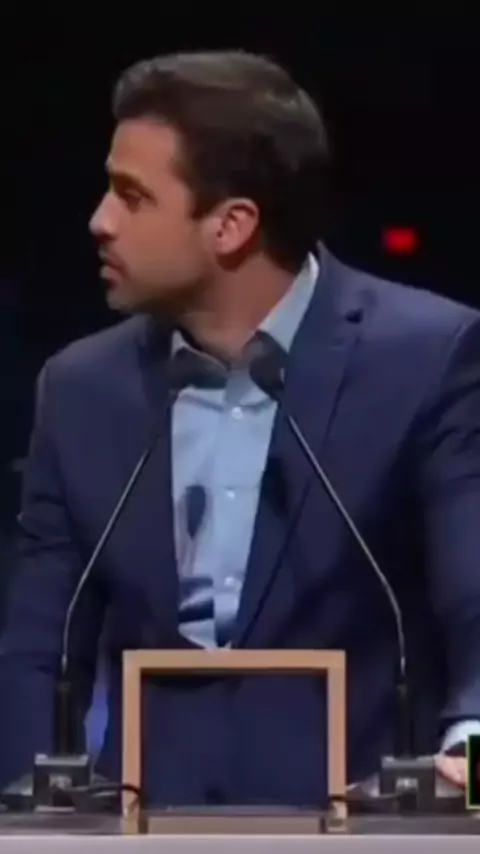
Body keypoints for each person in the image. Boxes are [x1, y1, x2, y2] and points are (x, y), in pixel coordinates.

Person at [0, 49, 478, 806]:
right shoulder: (80, 388)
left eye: (132, 196)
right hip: (141, 830)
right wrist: (27, 812)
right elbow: (38, 647)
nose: (100, 221)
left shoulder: (426, 356)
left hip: (371, 823)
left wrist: (470, 758)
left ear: (231, 226)